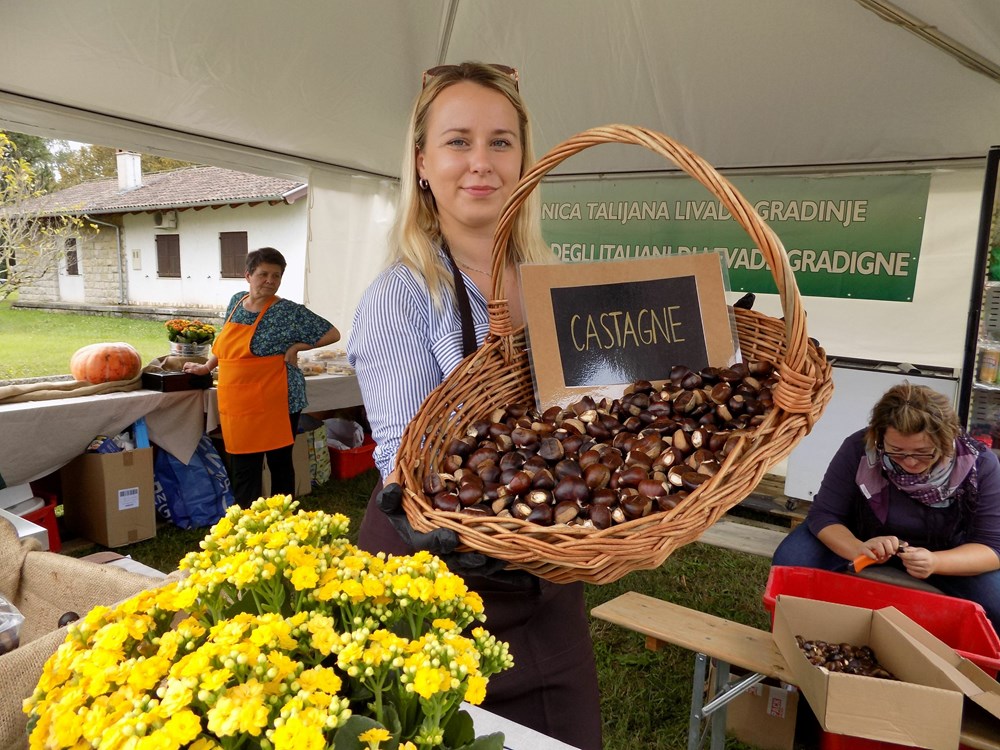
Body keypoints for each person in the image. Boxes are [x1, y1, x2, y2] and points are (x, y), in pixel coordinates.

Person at [347, 62, 603, 749]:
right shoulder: (402, 297)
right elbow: (408, 466)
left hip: (544, 575)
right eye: (458, 142)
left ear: (524, 159)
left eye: (501, 142)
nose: (481, 164)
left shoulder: (554, 284)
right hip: (436, 581)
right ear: (423, 163)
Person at [772, 382, 1000, 633]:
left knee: (996, 600)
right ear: (878, 437)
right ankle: (792, 640)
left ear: (947, 439)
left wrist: (935, 561)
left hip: (943, 553)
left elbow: (991, 548)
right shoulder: (859, 448)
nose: (910, 461)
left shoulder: (980, 465)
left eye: (924, 452)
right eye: (896, 452)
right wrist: (858, 549)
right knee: (790, 562)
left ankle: (982, 668)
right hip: (863, 540)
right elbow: (824, 515)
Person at [183, 247, 340, 505]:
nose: (270, 280)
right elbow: (224, 342)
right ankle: (247, 523)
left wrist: (296, 347)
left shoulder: (288, 311)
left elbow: (332, 333)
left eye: (276, 276)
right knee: (244, 462)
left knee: (279, 461)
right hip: (239, 400)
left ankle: (282, 520)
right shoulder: (236, 302)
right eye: (263, 274)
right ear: (248, 275)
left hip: (278, 397)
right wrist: (206, 367)